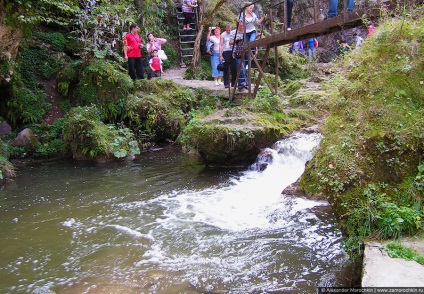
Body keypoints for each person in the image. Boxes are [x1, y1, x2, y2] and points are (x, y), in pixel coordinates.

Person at [230, 22, 248, 92]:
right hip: (237, 52)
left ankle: (246, 84)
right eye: (240, 25)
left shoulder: (246, 32)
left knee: (245, 68)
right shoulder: (233, 33)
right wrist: (236, 39)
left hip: (246, 52)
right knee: (241, 68)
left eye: (243, 25)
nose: (242, 27)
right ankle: (241, 85)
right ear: (237, 26)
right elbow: (230, 43)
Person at [220, 24, 237, 89]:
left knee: (234, 67)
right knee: (226, 68)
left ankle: (233, 83)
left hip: (233, 51)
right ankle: (226, 83)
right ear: (225, 29)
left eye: (229, 30)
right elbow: (221, 45)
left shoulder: (233, 34)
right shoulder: (223, 35)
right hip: (225, 51)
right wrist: (221, 55)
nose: (228, 31)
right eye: (227, 30)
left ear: (231, 29)